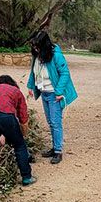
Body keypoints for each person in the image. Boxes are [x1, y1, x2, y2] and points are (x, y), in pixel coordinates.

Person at [27, 30, 79, 165]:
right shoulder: (37, 56)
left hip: (54, 95)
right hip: (44, 93)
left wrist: (59, 91)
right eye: (33, 46)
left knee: (56, 123)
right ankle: (54, 147)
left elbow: (65, 73)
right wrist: (30, 86)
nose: (35, 48)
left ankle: (58, 151)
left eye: (37, 46)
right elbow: (33, 72)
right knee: (50, 122)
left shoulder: (56, 55)